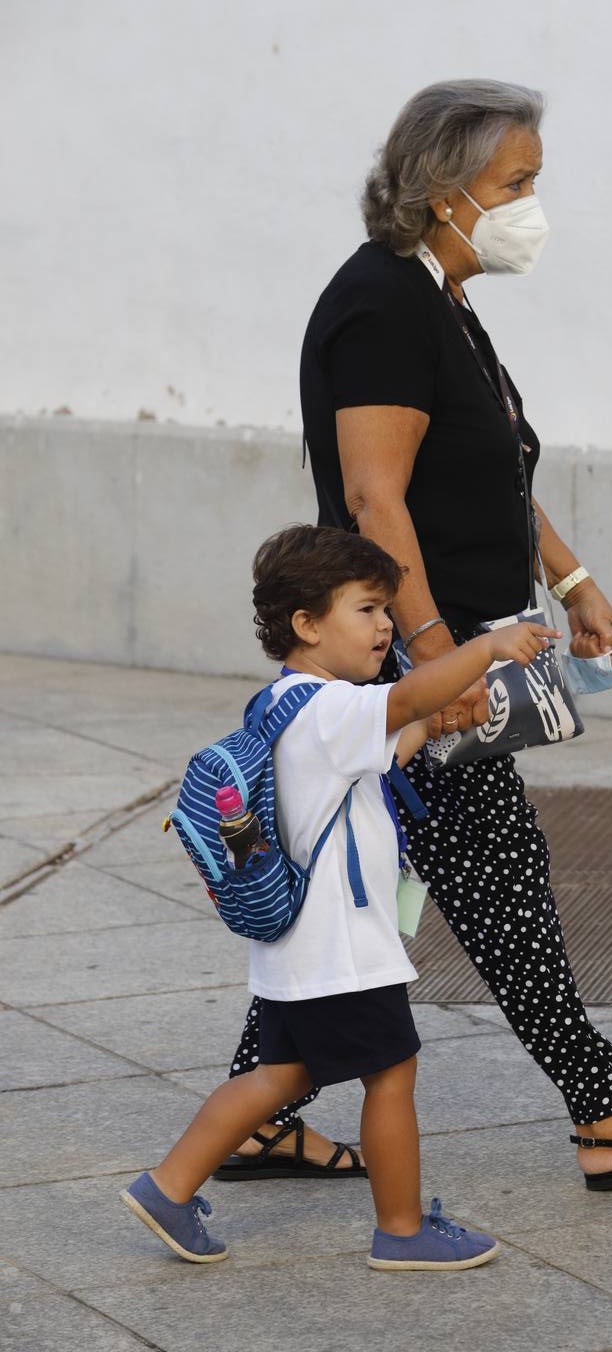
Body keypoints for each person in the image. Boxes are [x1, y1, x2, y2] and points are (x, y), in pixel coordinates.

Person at [221, 78, 612, 1190]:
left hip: (446, 651)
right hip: (419, 660)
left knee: (360, 889)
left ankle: (256, 1113)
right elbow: (375, 499)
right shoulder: (381, 305)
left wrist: (577, 580)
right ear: (443, 189)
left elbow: (498, 472)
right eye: (516, 184)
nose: (530, 207)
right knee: (492, 878)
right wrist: (428, 657)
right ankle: (607, 1112)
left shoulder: (444, 302)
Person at [122, 523, 560, 1268]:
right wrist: (480, 651)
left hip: (298, 950)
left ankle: (168, 1187)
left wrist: (437, 718)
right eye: (366, 609)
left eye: (387, 609)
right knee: (391, 1072)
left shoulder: (290, 705)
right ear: (306, 623)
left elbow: (388, 738)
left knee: (281, 1075)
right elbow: (400, 702)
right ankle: (401, 1229)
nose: (385, 625)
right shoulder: (329, 708)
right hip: (342, 946)